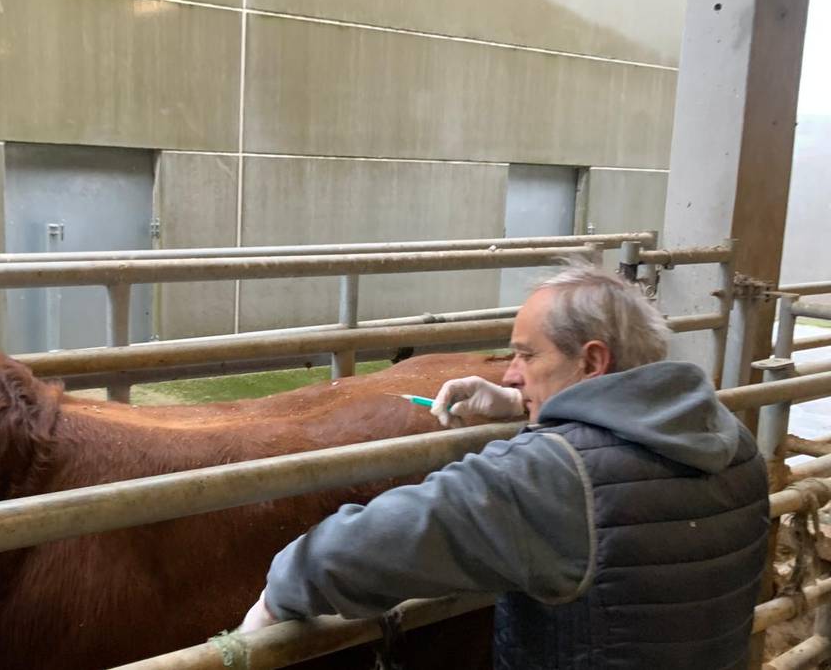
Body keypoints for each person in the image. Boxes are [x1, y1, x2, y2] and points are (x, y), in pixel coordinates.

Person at [239, 264, 769, 669]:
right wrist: (526, 404)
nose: (511, 373)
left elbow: (357, 548)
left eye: (526, 357)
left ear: (592, 361)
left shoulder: (553, 476)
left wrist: (274, 598)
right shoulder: (735, 440)